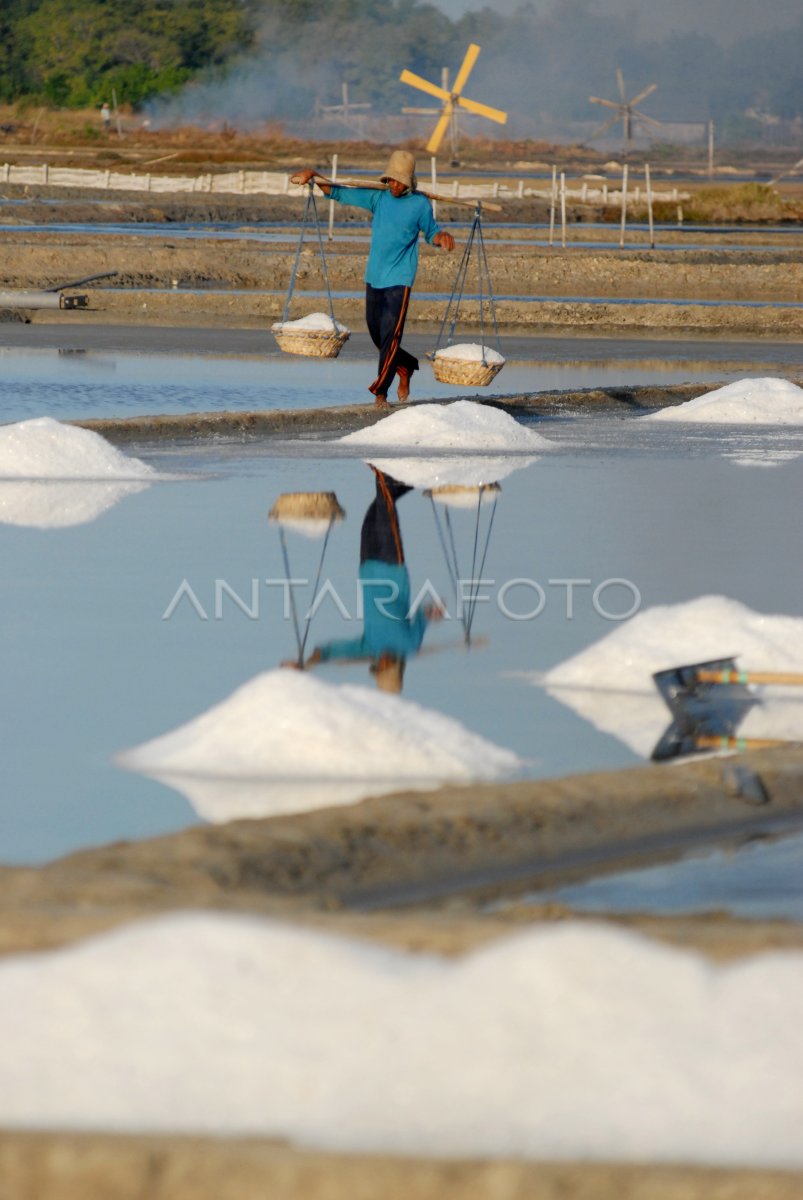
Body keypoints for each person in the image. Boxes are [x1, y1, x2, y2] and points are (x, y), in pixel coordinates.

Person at [291, 151, 455, 408]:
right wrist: (313, 174)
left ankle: (381, 393)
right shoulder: (379, 197)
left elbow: (431, 232)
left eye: (400, 182)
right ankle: (407, 366)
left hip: (400, 279)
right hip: (375, 275)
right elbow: (339, 192)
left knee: (391, 338)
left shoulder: (420, 205)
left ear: (410, 182)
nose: (394, 186)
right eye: (391, 180)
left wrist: (441, 237)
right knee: (378, 336)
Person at [294, 467, 443, 692]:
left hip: (368, 567)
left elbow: (335, 652)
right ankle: (379, 463)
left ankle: (423, 476)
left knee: (376, 509)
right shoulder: (410, 645)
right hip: (393, 567)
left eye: (378, 666)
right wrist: (433, 611)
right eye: (385, 666)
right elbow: (422, 617)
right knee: (384, 503)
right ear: (396, 665)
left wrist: (311, 662)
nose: (380, 662)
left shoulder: (369, 649)